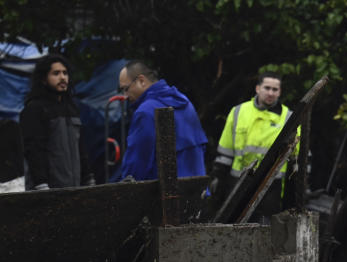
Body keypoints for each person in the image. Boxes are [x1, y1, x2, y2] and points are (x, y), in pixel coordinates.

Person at [210, 71, 298, 222]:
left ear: (280, 92)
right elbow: (225, 152)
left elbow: (297, 158)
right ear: (257, 88)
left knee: (264, 233)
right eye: (267, 88)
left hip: (270, 188)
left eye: (275, 89)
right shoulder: (238, 112)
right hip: (238, 183)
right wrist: (218, 180)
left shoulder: (289, 118)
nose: (270, 93)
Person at [116, 60, 207, 181]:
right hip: (197, 192)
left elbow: (135, 168)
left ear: (141, 81)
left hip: (166, 196)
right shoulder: (184, 102)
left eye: (125, 89)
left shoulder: (145, 112)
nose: (125, 96)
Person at [19, 54, 95, 190]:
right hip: (46, 191)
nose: (62, 77)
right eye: (56, 73)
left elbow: (81, 148)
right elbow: (34, 150)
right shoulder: (34, 109)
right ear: (43, 79)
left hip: (74, 188)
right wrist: (41, 184)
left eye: (65, 73)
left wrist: (88, 177)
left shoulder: (71, 108)